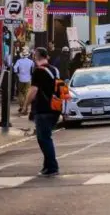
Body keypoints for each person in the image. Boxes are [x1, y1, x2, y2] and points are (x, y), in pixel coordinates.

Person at [25, 47, 61, 176]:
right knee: (45, 138)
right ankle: (47, 166)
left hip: (43, 108)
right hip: (55, 108)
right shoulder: (55, 70)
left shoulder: (38, 71)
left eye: (34, 56)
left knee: (44, 139)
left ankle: (52, 167)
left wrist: (25, 106)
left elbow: (33, 90)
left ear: (37, 57)